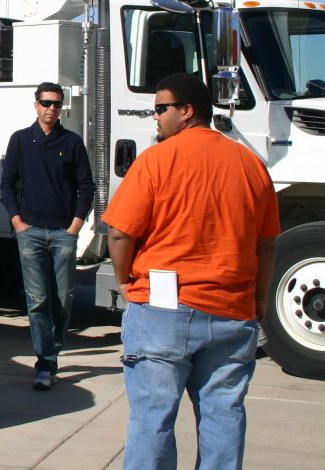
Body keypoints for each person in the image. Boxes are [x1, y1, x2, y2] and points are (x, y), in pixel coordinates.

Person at [102, 73, 280, 469]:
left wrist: (123, 282)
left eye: (160, 109)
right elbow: (266, 243)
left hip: (162, 310)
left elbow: (119, 232)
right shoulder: (251, 164)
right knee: (224, 415)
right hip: (233, 310)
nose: (155, 118)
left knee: (153, 420)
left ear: (186, 111)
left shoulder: (157, 160)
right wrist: (261, 298)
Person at [0, 82, 95, 391]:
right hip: (30, 233)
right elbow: (7, 185)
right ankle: (46, 361)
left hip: (63, 233)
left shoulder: (72, 142)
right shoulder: (20, 141)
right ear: (36, 104)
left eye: (56, 103)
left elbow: (86, 187)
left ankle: (52, 351)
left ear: (62, 106)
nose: (51, 108)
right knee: (38, 300)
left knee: (63, 299)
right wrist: (18, 222)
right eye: (46, 102)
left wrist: (75, 227)